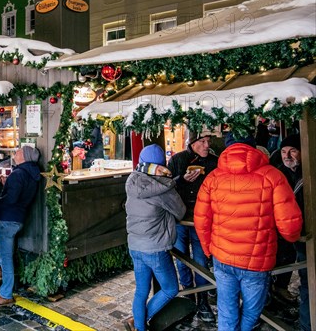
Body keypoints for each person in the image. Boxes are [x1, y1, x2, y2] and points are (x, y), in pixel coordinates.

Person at [194, 133, 303, 331]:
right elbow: (289, 226)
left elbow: (201, 220)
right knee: (253, 310)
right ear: (253, 147)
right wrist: (291, 238)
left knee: (226, 310)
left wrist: (208, 249)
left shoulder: (212, 178)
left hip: (223, 257)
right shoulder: (273, 176)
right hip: (257, 261)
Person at [124, 144, 186, 331]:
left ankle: (140, 326)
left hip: (135, 245)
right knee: (170, 289)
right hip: (156, 248)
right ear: (162, 164)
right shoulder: (163, 187)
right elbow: (181, 212)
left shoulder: (132, 180)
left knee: (141, 291)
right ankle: (138, 320)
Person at [166, 130, 218, 322]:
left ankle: (203, 300)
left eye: (208, 141)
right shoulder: (177, 160)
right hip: (180, 219)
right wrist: (180, 180)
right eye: (202, 141)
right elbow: (165, 185)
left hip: (202, 220)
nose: (207, 145)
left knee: (201, 261)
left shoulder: (214, 162)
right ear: (192, 143)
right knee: (182, 260)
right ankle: (189, 297)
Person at [0, 146, 41, 307]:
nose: (15, 154)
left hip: (8, 221)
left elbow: (11, 199)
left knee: (7, 259)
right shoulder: (32, 173)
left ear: (24, 156)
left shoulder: (18, 174)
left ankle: (5, 294)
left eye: (18, 152)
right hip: (16, 219)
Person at [277, 134, 310, 331]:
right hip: (285, 234)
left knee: (307, 277)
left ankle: (307, 323)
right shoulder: (279, 173)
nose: (287, 155)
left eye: (292, 151)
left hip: (306, 235)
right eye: (283, 151)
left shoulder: (309, 172)